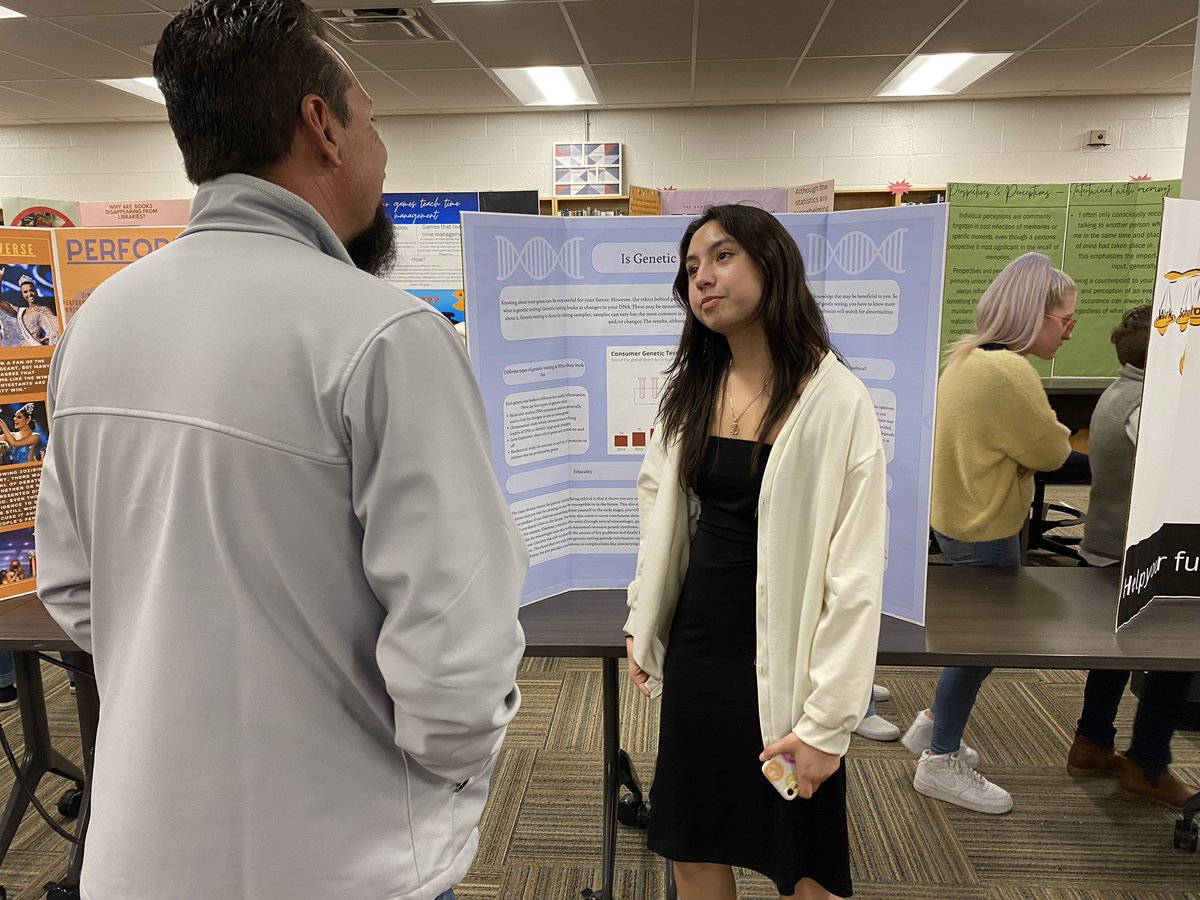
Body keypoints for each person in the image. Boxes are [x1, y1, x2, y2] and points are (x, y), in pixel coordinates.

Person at [35, 2, 527, 899]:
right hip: (344, 857)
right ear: (322, 127)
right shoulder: (385, 336)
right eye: (372, 120)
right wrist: (437, 783)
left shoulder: (96, 324)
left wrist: (181, 675)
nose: (382, 151)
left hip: (139, 854)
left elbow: (71, 585)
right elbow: (458, 653)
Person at [625, 204, 886, 900]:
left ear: (772, 263)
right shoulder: (693, 388)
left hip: (789, 653)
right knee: (694, 841)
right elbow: (660, 506)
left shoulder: (835, 399)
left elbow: (855, 571)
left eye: (721, 256)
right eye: (690, 268)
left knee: (804, 854)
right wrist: (641, 615)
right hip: (703, 644)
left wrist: (830, 723)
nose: (702, 279)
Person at [902, 251, 1075, 815]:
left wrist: (1025, 451)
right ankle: (939, 759)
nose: (1070, 330)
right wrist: (1033, 449)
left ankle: (931, 728)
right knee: (978, 648)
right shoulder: (1009, 372)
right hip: (984, 525)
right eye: (1064, 319)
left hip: (957, 518)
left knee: (976, 644)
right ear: (1034, 314)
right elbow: (1052, 450)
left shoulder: (970, 358)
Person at [1067, 304, 1198, 810]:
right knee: (1171, 661)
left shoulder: (1117, 392)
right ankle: (1147, 766)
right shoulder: (1150, 407)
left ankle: (1092, 741)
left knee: (1114, 655)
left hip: (1106, 549)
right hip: (1137, 556)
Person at [0, 271, 59, 347]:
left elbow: (56, 330)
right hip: (20, 349)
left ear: (36, 291)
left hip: (34, 348)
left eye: (31, 290)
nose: (29, 294)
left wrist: (43, 339)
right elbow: (1, 302)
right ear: (23, 295)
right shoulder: (20, 311)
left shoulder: (43, 310)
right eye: (25, 292)